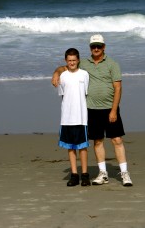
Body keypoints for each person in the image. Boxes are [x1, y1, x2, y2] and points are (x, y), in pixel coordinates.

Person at [52, 35, 133, 187]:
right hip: (92, 109)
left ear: (104, 47)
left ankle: (124, 173)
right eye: (93, 46)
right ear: (90, 48)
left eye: (99, 46)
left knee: (117, 140)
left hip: (110, 108)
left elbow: (118, 87)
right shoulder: (84, 64)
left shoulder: (112, 64)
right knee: (97, 141)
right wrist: (56, 73)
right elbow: (66, 67)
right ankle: (103, 173)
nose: (96, 49)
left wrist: (114, 110)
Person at [57, 48, 91, 187]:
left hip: (81, 117)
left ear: (78, 60)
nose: (72, 62)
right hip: (66, 118)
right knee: (71, 148)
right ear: (66, 61)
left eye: (74, 60)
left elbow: (86, 93)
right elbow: (63, 95)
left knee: (82, 147)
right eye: (69, 60)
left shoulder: (84, 74)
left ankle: (84, 175)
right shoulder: (63, 76)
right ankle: (74, 174)